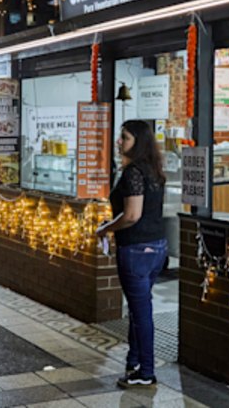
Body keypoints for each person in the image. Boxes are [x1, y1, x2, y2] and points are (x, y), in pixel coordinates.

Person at [97, 120, 167, 388]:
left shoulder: (133, 173)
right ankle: (135, 361)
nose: (119, 142)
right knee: (141, 308)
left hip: (136, 249)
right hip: (157, 248)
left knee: (140, 313)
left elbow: (132, 215)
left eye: (124, 138)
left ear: (138, 142)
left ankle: (145, 372)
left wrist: (105, 228)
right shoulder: (153, 170)